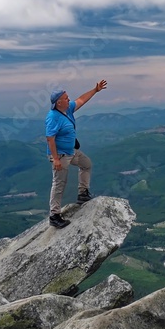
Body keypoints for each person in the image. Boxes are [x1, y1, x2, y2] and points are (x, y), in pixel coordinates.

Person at [45, 79, 107, 228]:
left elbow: (81, 100)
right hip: (60, 156)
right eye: (66, 98)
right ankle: (54, 215)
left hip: (71, 151)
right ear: (59, 102)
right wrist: (55, 159)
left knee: (86, 164)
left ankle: (83, 194)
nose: (69, 99)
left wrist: (95, 90)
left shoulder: (68, 109)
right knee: (59, 184)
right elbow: (50, 138)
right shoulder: (53, 118)